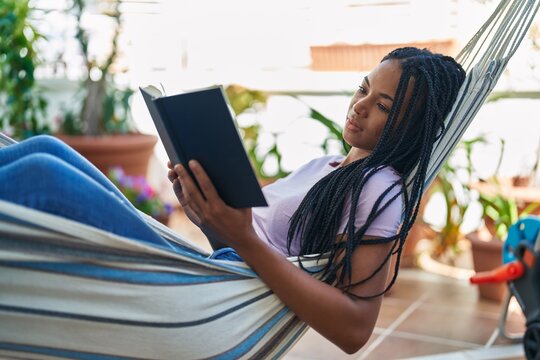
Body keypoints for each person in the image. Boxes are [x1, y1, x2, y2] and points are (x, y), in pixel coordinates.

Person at [0, 47, 465, 354]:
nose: (360, 105)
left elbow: (355, 329)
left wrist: (240, 236)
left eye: (383, 105)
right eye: (364, 89)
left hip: (208, 299)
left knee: (42, 174)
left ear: (413, 126)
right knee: (46, 150)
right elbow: (244, 238)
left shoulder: (378, 189)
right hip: (214, 276)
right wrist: (204, 210)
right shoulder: (325, 166)